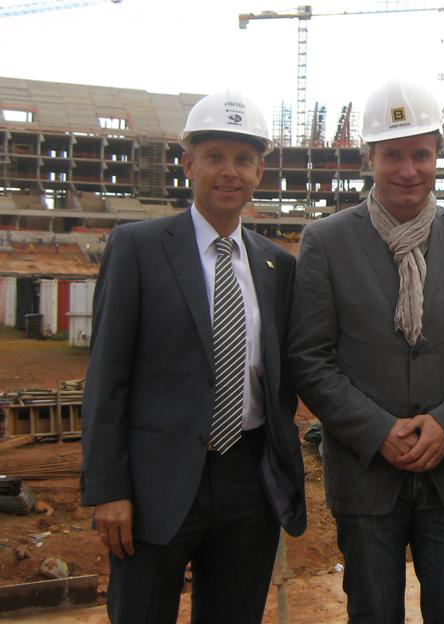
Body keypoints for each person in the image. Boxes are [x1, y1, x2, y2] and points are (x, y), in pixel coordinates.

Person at [289, 79, 444, 623]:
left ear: (437, 153)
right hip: (367, 477)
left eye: (420, 154)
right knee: (372, 613)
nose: (408, 170)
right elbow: (310, 358)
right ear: (370, 157)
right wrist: (377, 431)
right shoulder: (327, 241)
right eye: (393, 155)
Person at [80, 90, 306, 623]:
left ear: (259, 172)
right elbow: (107, 376)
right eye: (215, 157)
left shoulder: (276, 266)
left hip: (249, 481)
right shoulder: (137, 247)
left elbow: (285, 375)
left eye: (243, 160)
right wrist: (109, 489)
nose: (230, 172)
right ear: (188, 164)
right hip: (155, 482)